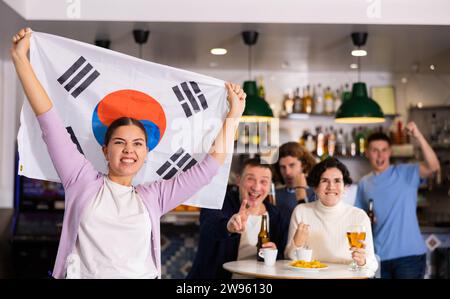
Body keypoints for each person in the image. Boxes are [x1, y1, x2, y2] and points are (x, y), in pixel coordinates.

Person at [11, 28, 246, 279]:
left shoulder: (154, 196)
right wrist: (20, 59)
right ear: (105, 149)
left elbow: (208, 168)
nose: (128, 150)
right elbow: (50, 123)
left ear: (146, 152)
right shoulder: (80, 180)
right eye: (120, 142)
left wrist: (232, 117)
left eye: (137, 144)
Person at [355, 129, 440, 279]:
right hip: (378, 257)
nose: (380, 155)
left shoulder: (406, 173)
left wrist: (419, 135)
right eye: (375, 150)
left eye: (384, 150)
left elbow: (433, 166)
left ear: (390, 152)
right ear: (367, 153)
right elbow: (358, 219)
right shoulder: (364, 183)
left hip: (409, 257)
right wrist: (367, 221)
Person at [188, 158, 285, 279]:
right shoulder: (219, 202)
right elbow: (209, 226)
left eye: (263, 182)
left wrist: (274, 253)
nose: (256, 187)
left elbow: (282, 257)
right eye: (250, 179)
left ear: (270, 186)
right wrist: (228, 227)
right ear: (238, 180)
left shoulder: (275, 215)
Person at [285, 158, 378, 275]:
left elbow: (373, 264)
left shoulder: (359, 216)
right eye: (324, 181)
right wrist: (296, 244)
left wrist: (363, 262)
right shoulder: (301, 212)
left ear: (345, 187)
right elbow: (289, 259)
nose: (331, 187)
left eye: (337, 181)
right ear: (315, 187)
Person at [273, 142, 317, 223]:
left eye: (292, 165)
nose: (287, 172)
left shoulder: (316, 194)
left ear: (304, 165)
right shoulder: (273, 195)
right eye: (283, 167)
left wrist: (300, 191)